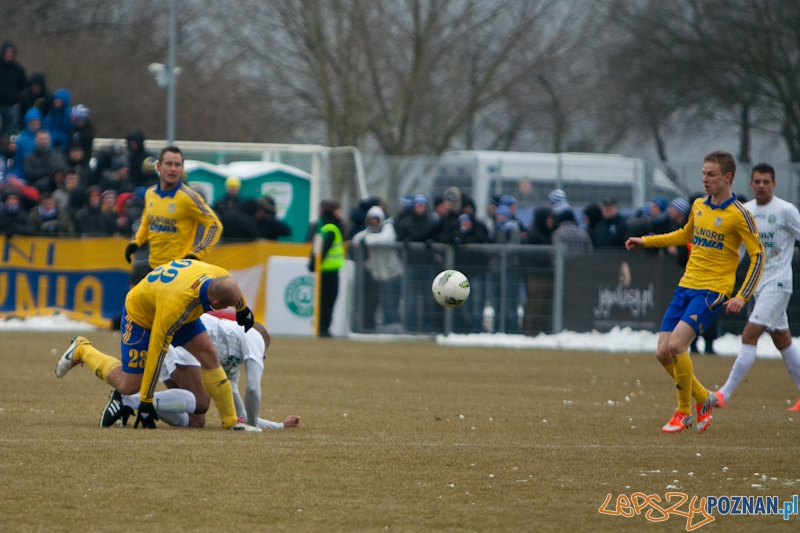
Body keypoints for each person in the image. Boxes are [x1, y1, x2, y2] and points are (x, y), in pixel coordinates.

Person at [625, 150, 764, 434]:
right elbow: (685, 234)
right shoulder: (699, 205)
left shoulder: (740, 215)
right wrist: (646, 241)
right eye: (703, 173)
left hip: (712, 292)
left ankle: (683, 411)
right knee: (663, 353)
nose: (705, 179)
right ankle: (704, 399)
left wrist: (741, 295)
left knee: (677, 346)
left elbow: (758, 256)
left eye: (711, 174)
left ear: (728, 177)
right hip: (686, 286)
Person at [55, 259, 260, 431]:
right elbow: (156, 352)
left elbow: (231, 288)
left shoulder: (220, 275)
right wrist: (145, 401)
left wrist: (242, 309)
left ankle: (231, 422)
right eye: (227, 306)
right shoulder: (175, 308)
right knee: (130, 385)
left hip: (174, 301)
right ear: (215, 304)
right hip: (142, 316)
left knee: (208, 352)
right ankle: (83, 349)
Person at [103, 314, 300, 430]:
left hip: (171, 336)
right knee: (201, 402)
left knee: (196, 420)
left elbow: (239, 415)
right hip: (186, 336)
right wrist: (253, 427)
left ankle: (136, 400)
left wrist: (279, 425)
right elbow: (253, 389)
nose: (261, 357)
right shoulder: (254, 336)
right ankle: (129, 400)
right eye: (263, 353)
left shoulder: (231, 361)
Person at [712, 163, 800, 410]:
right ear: (750, 184)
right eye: (757, 181)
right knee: (782, 338)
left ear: (774, 184)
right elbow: (738, 251)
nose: (761, 185)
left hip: (779, 283)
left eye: (766, 182)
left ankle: (724, 394)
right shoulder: (745, 211)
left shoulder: (786, 210)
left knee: (750, 333)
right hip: (758, 285)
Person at [125, 145, 221, 270]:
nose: (173, 169)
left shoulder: (189, 197)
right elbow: (146, 221)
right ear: (159, 166)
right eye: (169, 164)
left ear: (182, 169)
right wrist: (135, 242)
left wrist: (197, 253)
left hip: (179, 270)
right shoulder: (150, 193)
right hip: (153, 268)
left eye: (177, 165)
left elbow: (214, 224)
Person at [352, 205, 403, 331]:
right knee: (379, 301)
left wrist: (367, 240)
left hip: (392, 272)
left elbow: (387, 239)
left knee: (391, 301)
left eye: (376, 219)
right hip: (378, 274)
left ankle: (393, 325)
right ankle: (381, 326)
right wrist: (366, 238)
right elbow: (356, 239)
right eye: (372, 219)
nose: (374, 221)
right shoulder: (369, 231)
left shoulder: (387, 226)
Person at [310, 200, 345, 337]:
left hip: (323, 270)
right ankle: (324, 329)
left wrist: (312, 264)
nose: (340, 214)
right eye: (338, 211)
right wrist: (314, 264)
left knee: (323, 299)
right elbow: (324, 250)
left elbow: (317, 248)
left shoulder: (322, 226)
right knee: (329, 300)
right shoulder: (332, 228)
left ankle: (320, 327)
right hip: (329, 271)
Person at [0, 41, 26, 137]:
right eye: (7, 52)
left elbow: (23, 87)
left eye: (11, 52)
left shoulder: (18, 69)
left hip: (12, 106)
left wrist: (19, 101)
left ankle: (7, 146)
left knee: (10, 131)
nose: (9, 54)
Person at [41, 88, 72, 152]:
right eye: (56, 100)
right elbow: (46, 126)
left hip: (64, 145)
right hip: (51, 144)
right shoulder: (52, 113)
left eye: (59, 100)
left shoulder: (69, 115)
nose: (57, 102)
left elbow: (71, 130)